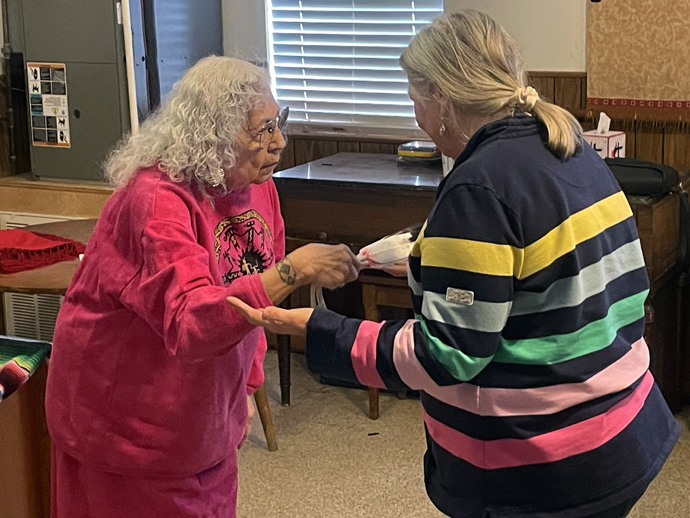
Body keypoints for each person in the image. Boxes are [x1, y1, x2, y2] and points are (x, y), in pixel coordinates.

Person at [228, 10, 681, 518]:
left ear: (441, 97)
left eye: (414, 98)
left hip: (543, 467)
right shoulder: (567, 145)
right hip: (620, 431)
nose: (416, 116)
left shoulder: (478, 186)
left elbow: (447, 357)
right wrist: (429, 265)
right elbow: (560, 276)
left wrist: (323, 330)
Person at [45, 56, 359, 518]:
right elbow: (191, 321)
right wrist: (293, 272)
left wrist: (246, 385)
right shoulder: (156, 198)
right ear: (211, 135)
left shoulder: (258, 186)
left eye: (278, 122)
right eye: (261, 130)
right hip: (126, 423)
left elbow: (252, 294)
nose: (279, 143)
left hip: (199, 417)